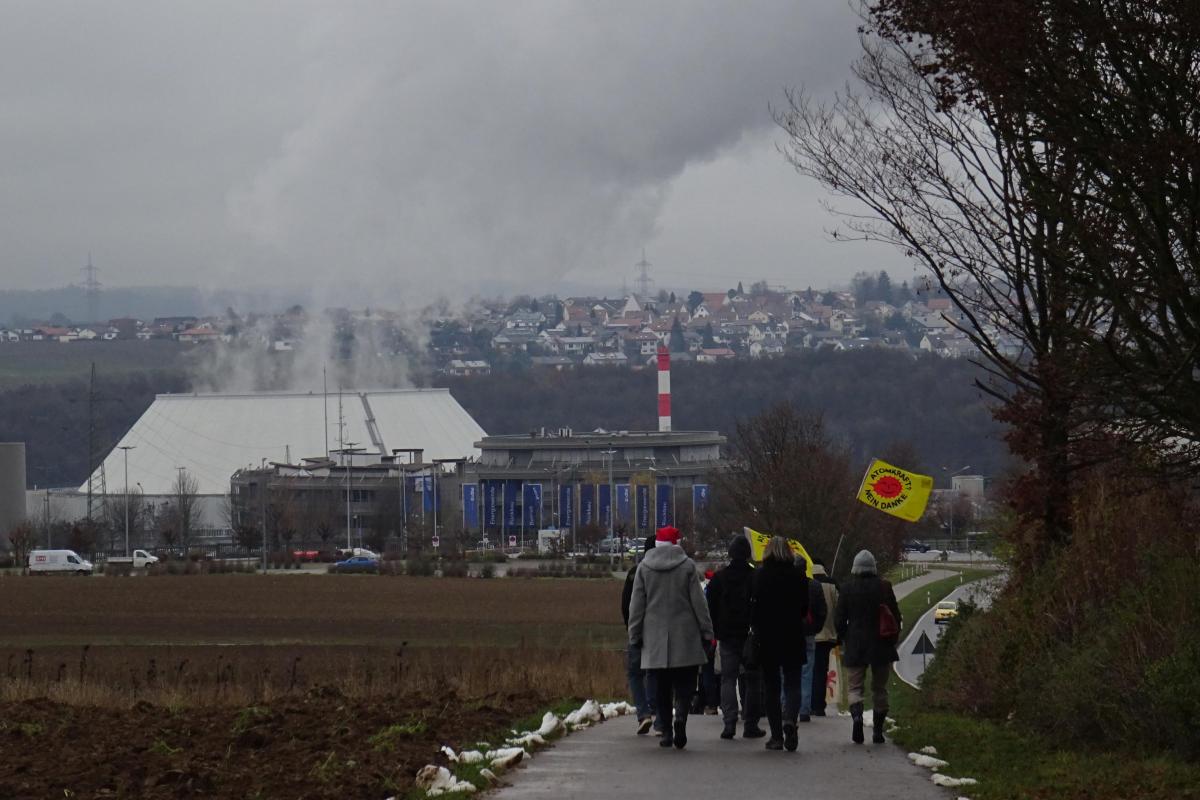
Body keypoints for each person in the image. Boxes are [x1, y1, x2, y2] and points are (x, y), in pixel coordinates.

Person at [628, 525, 715, 750]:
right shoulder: (687, 566)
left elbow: (636, 606)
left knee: (661, 687)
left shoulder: (644, 568)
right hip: (685, 635)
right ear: (676, 544)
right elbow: (699, 603)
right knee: (685, 683)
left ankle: (666, 730)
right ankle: (681, 717)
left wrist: (634, 634)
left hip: (654, 638)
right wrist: (707, 631)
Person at [835, 549, 902, 744]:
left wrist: (844, 636)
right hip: (881, 644)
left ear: (855, 567)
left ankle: (857, 717)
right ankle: (878, 731)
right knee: (880, 688)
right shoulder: (884, 587)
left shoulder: (847, 588)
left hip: (856, 644)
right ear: (873, 567)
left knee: (855, 687)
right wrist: (893, 638)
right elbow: (895, 615)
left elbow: (839, 619)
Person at [751, 536, 809, 752]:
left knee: (771, 686)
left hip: (767, 636)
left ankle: (776, 736)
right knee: (793, 682)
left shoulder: (760, 575)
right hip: (792, 634)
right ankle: (790, 719)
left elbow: (754, 607)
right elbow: (804, 608)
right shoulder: (798, 575)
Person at [705, 534, 765, 740]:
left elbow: (710, 606)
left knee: (728, 679)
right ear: (748, 553)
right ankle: (751, 723)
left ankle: (729, 722)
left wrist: (715, 630)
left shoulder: (719, 578)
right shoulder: (755, 577)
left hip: (727, 634)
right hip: (750, 635)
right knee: (753, 679)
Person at [621, 533, 660, 735]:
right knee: (655, 673)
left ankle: (643, 713)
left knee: (635, 673)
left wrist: (630, 628)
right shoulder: (665, 573)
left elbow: (626, 604)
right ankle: (658, 714)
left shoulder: (634, 572)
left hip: (637, 630)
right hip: (658, 631)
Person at [797, 555, 827, 722]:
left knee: (787, 672)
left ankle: (786, 705)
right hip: (808, 633)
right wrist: (816, 628)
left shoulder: (786, 585)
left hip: (790, 634)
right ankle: (804, 709)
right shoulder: (814, 586)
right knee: (807, 672)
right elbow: (822, 610)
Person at [809, 559, 840, 717]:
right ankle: (819, 705)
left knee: (808, 670)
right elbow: (838, 609)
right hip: (827, 635)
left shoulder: (807, 582)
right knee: (822, 670)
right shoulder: (832, 584)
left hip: (809, 633)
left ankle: (807, 703)